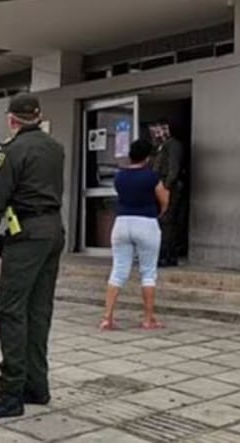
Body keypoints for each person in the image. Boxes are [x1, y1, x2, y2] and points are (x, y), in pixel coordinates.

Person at [0, 93, 66, 421]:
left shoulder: (12, 150)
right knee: (39, 310)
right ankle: (36, 385)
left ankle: (10, 392)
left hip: (26, 232)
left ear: (12, 119)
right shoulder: (56, 147)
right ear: (38, 116)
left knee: (11, 309)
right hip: (54, 229)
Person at [100, 138, 169, 331]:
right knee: (148, 272)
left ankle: (107, 317)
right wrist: (160, 211)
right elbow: (163, 198)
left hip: (121, 223)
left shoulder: (120, 176)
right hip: (146, 222)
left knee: (118, 270)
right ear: (148, 157)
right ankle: (148, 319)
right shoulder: (151, 176)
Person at [150, 121, 184, 267]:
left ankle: (167, 255)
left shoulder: (173, 145)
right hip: (160, 186)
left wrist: (166, 186)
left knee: (167, 221)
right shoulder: (160, 147)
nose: (158, 133)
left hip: (167, 187)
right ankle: (164, 254)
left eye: (162, 129)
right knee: (163, 221)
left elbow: (173, 168)